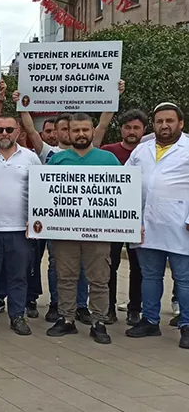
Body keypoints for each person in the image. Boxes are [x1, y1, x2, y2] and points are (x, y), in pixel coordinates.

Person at [46, 113, 121, 344]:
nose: (80, 134)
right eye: (75, 130)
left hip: (98, 231)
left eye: (85, 130)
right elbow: (44, 194)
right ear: (68, 132)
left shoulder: (108, 159)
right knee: (65, 277)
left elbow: (123, 193)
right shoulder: (57, 160)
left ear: (92, 131)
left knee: (99, 278)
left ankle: (98, 321)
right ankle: (66, 318)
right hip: (64, 231)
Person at [125, 102, 189, 348]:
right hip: (146, 225)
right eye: (159, 121)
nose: (164, 125)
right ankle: (150, 321)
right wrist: (130, 220)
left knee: (184, 279)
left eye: (169, 121)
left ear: (180, 123)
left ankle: (186, 324)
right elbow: (124, 183)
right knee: (150, 276)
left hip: (180, 226)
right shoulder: (141, 151)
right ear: (153, 124)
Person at [0, 115, 40, 336]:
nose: (4, 134)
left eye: (9, 130)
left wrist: (37, 218)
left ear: (18, 131)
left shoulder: (31, 158)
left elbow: (39, 191)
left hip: (20, 229)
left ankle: (17, 316)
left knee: (18, 276)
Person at [101, 109, 147, 326]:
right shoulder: (108, 152)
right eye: (127, 127)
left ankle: (135, 309)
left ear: (144, 130)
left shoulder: (149, 153)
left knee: (138, 266)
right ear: (121, 129)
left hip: (140, 219)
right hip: (112, 219)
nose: (131, 131)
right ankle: (108, 308)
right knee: (110, 264)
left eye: (136, 127)